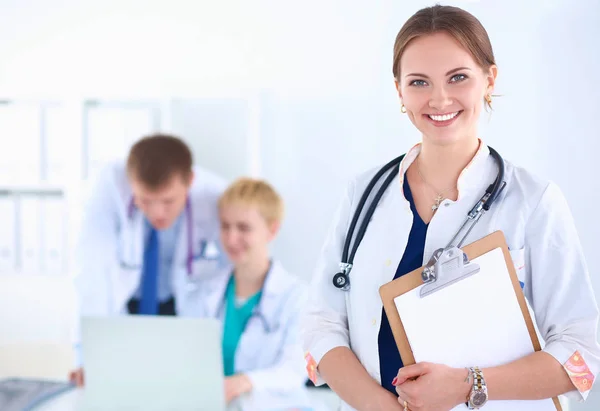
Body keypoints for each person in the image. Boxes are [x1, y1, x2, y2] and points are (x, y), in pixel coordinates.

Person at [301, 5, 600, 411]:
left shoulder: (534, 201)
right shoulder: (362, 194)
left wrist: (468, 385)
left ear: (489, 79)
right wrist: (377, 406)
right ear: (399, 92)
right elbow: (322, 325)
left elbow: (584, 358)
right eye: (419, 82)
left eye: (458, 77)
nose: (439, 98)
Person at [69, 134, 228, 386]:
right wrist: (86, 356)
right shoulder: (109, 185)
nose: (157, 213)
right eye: (145, 200)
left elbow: (230, 274)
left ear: (190, 182)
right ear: (131, 184)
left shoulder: (215, 195)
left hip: (182, 310)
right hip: (125, 308)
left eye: (168, 201)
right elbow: (92, 271)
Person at [189, 177, 307, 404]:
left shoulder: (296, 297)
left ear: (272, 230)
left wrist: (245, 381)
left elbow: (294, 370)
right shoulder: (205, 292)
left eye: (243, 227)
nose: (232, 238)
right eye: (225, 226)